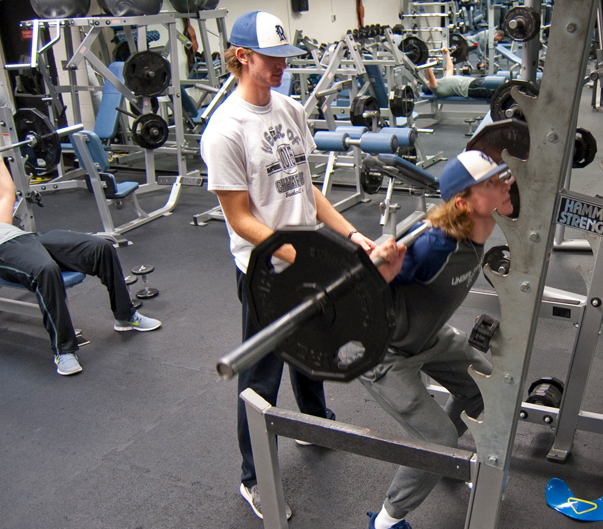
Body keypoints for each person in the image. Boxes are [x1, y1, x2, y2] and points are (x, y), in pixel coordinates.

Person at [200, 11, 404, 521]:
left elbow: (305, 188)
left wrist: (350, 235)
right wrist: (300, 258)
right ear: (242, 57)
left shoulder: (288, 108)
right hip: (267, 271)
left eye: (284, 59)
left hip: (307, 257)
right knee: (261, 376)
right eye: (271, 59)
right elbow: (240, 218)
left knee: (313, 346)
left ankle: (315, 422)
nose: (279, 68)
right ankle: (254, 479)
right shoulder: (224, 131)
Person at [361, 150, 515, 529]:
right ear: (463, 203)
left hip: (429, 337)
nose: (505, 183)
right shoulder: (434, 246)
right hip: (386, 353)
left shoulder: (482, 227)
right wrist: (379, 272)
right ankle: (386, 521)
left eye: (502, 176)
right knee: (438, 439)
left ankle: (445, 464)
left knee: (486, 387)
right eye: (492, 182)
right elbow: (362, 292)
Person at [0, 157, 161, 376]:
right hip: (3, 250)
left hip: (24, 237)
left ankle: (125, 316)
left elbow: (6, 191)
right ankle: (64, 350)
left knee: (100, 247)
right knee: (46, 270)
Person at [425, 46, 495, 99]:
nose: (429, 82)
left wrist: (446, 53)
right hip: (470, 88)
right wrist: (426, 60)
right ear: (429, 87)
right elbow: (430, 75)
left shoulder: (444, 80)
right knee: (494, 92)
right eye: (428, 83)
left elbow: (449, 68)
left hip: (474, 81)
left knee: (495, 83)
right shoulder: (438, 90)